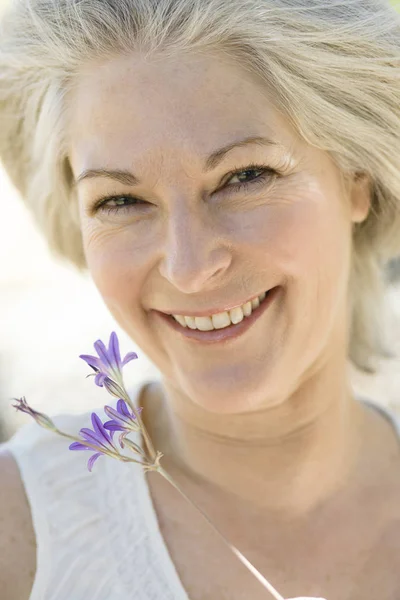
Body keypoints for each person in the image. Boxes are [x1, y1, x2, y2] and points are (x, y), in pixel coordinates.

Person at [0, 0, 400, 598]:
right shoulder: (18, 537)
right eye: (121, 201)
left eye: (245, 177)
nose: (190, 269)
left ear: (357, 181)